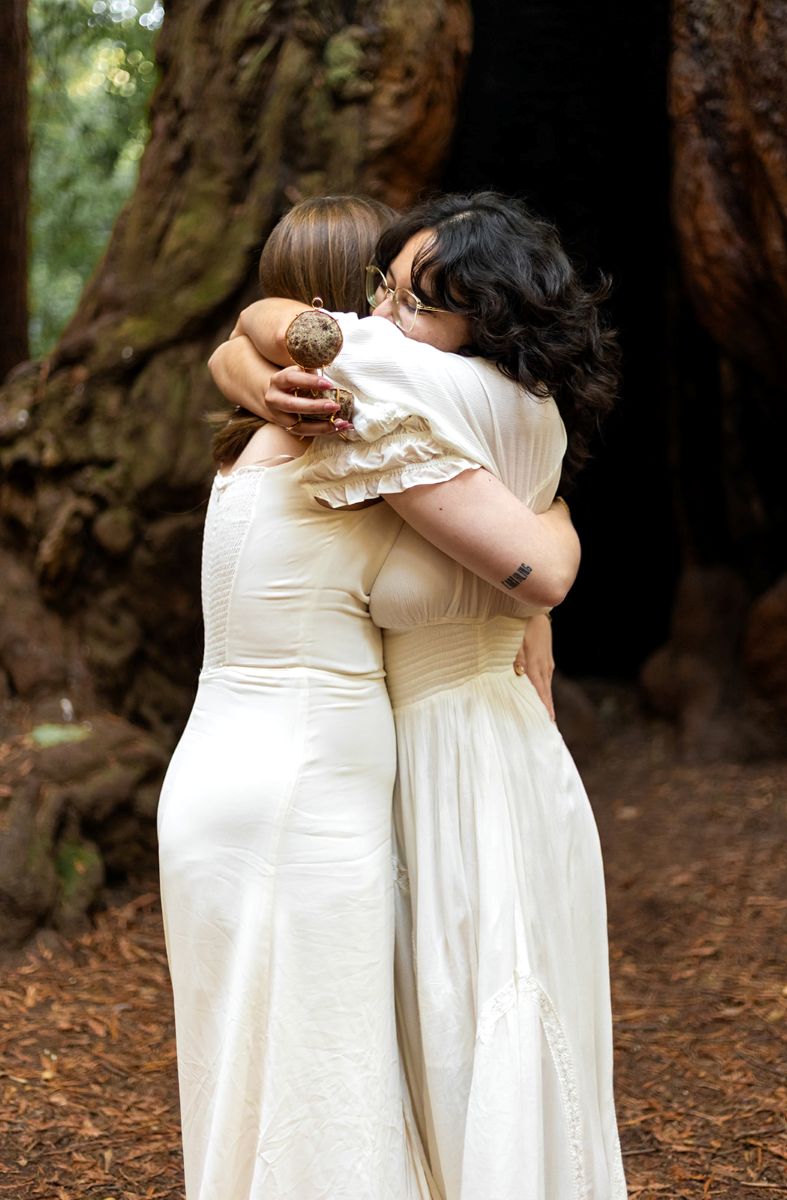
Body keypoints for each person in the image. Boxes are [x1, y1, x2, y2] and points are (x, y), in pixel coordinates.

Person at [158, 195, 580, 1200]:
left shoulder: (251, 446)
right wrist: (551, 526)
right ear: (344, 305)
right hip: (308, 785)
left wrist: (246, 358)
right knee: (331, 1094)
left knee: (248, 1087)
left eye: (409, 301)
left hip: (213, 769)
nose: (386, 323)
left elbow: (241, 342)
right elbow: (514, 568)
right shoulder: (359, 430)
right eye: (377, 294)